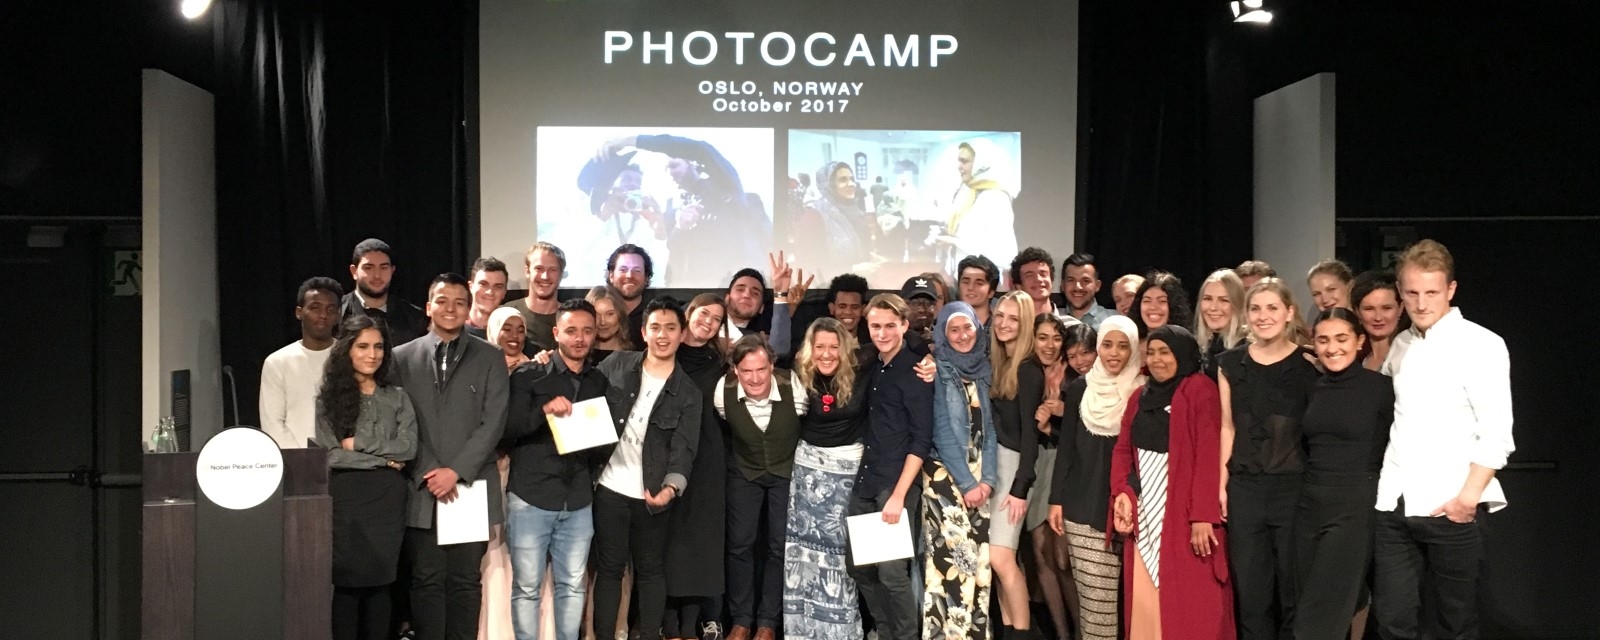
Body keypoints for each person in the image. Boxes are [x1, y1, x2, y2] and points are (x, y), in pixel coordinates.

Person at [1373, 239, 1514, 640]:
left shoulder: (1481, 344)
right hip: (1394, 505)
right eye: (1412, 293)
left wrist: (1466, 500)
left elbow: (1497, 431)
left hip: (1449, 505)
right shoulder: (1400, 345)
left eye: (1431, 292)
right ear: (1401, 292)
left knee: (1456, 622)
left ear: (1450, 290)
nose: (1421, 303)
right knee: (1393, 621)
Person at [392, 273, 511, 640]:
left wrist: (456, 471)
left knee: (463, 581)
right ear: (428, 307)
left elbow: (494, 422)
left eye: (460, 302)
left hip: (470, 486)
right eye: (442, 301)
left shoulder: (490, 357)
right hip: (422, 486)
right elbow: (400, 420)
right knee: (426, 580)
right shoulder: (401, 358)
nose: (451, 309)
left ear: (468, 308)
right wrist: (431, 470)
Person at [591, 297, 704, 640]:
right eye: (655, 327)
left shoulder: (688, 392)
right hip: (609, 488)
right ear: (643, 332)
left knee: (651, 570)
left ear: (682, 334)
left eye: (671, 328)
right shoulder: (617, 364)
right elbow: (582, 393)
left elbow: (684, 449)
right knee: (609, 571)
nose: (663, 335)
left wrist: (669, 490)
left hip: (653, 494)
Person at [1109, 326, 1233, 639]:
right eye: (1151, 352)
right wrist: (1122, 491)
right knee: (1146, 600)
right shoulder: (1140, 396)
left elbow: (1209, 454)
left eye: (1165, 352)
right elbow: (1123, 449)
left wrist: (1202, 515)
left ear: (1183, 354)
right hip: (1145, 513)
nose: (1157, 359)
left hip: (1183, 512)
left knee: (1191, 603)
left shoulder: (1200, 390)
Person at [1217, 278, 1318, 640]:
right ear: (1245, 315)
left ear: (1289, 312)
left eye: (1272, 307)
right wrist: (1222, 486)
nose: (1263, 316)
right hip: (1245, 489)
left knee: (1293, 593)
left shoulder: (1309, 365)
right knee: (1252, 595)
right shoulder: (1229, 364)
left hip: (1293, 490)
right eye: (1256, 308)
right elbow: (1227, 428)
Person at [503, 299, 609, 640]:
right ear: (556, 333)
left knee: (574, 586)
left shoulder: (598, 382)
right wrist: (545, 411)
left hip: (578, 499)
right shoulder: (530, 373)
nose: (579, 339)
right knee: (527, 587)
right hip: (532, 495)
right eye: (571, 331)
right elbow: (509, 428)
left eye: (587, 331)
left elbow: (602, 446)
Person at [315, 314, 418, 640]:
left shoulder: (398, 397)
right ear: (346, 350)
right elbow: (331, 455)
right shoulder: (328, 400)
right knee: (347, 585)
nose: (372, 354)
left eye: (378, 347)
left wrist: (359, 445)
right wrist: (383, 461)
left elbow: (407, 449)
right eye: (362, 346)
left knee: (382, 584)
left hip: (387, 503)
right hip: (348, 499)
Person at [1293, 309, 1394, 640]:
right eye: (1323, 340)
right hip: (1309, 503)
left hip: (1355, 503)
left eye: (1341, 339)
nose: (1332, 347)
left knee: (1321, 612)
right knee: (1309, 598)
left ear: (1359, 341)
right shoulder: (1312, 388)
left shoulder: (1381, 389)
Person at [1048, 315, 1143, 640]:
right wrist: (1056, 499)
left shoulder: (1144, 392)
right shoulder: (1079, 389)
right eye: (1107, 344)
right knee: (1096, 610)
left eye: (1122, 346)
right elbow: (1067, 450)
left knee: (1135, 610)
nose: (1114, 353)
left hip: (1136, 513)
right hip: (1083, 510)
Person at [848, 294, 935, 640]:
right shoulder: (874, 364)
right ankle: (884, 631)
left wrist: (899, 495)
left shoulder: (915, 370)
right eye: (875, 326)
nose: (882, 333)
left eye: (889, 325)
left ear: (903, 325)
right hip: (867, 479)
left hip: (895, 485)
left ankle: (905, 636)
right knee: (861, 570)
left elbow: (920, 440)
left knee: (892, 573)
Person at [782, 317, 872, 640]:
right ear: (810, 349)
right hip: (807, 473)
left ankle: (841, 631)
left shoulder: (864, 367)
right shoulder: (800, 371)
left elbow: (909, 342)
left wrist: (929, 358)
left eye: (834, 347)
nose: (826, 354)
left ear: (845, 348)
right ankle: (804, 630)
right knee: (803, 553)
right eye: (819, 346)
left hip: (847, 475)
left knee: (840, 556)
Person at [717, 335, 809, 640]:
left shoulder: (793, 387)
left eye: (761, 370)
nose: (754, 378)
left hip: (786, 470)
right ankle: (742, 619)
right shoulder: (723, 392)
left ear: (772, 365)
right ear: (735, 371)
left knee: (779, 546)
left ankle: (768, 621)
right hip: (745, 471)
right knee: (740, 545)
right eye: (746, 371)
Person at [594, 135, 770, 287]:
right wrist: (674, 227)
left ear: (692, 163)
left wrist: (632, 141)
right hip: (693, 294)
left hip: (739, 290)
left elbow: (702, 150)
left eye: (674, 165)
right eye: (666, 168)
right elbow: (673, 249)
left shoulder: (726, 187)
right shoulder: (673, 206)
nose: (669, 172)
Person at [923, 302, 998, 640]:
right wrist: (969, 483)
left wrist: (989, 480)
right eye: (954, 329)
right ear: (943, 334)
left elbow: (991, 431)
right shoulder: (938, 370)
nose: (963, 335)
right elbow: (940, 430)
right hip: (946, 478)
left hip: (981, 480)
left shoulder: (984, 370)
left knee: (981, 568)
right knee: (953, 566)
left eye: (967, 328)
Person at [664, 294, 733, 640]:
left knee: (699, 540)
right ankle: (668, 619)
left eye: (717, 319)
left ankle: (694, 621)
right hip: (665, 454)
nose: (708, 321)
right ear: (689, 313)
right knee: (668, 537)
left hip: (707, 457)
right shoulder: (664, 353)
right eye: (704, 313)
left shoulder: (721, 363)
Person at [986, 291, 1044, 637]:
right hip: (995, 466)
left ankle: (1023, 632)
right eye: (1001, 316)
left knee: (1003, 559)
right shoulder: (999, 363)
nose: (1004, 324)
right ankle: (1009, 629)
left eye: (1013, 319)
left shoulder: (1028, 369)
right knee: (996, 563)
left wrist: (1021, 487)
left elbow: (1029, 438)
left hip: (1014, 469)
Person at [1026, 313, 1076, 640]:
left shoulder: (1074, 374)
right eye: (1042, 337)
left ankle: (1086, 630)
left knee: (1063, 559)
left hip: (1067, 465)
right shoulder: (1027, 373)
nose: (1049, 345)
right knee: (1040, 552)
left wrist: (1061, 414)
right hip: (1036, 465)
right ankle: (1061, 634)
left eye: (1056, 338)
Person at [483, 306, 529, 640]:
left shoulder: (536, 369)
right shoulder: (480, 367)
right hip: (487, 466)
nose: (513, 337)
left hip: (523, 468)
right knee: (492, 547)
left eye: (520, 330)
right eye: (506, 329)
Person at [262, 276, 342, 448]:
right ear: (299, 312)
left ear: (337, 315)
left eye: (330, 310)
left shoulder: (349, 356)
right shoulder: (278, 362)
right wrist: (301, 461)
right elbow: (273, 424)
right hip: (296, 462)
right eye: (315, 308)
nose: (323, 315)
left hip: (347, 460)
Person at [933, 139, 1019, 274]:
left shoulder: (996, 197)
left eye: (965, 161)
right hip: (957, 280)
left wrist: (955, 242)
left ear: (982, 164)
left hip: (983, 284)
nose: (959, 166)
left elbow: (1005, 254)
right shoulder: (965, 191)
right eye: (959, 161)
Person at [342, 238, 428, 347]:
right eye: (369, 268)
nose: (377, 275)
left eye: (384, 267)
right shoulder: (336, 314)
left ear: (392, 271)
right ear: (354, 271)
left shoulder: (416, 318)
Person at [798, 161, 870, 274]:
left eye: (852, 179)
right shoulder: (813, 217)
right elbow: (808, 265)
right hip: (828, 288)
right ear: (829, 184)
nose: (851, 184)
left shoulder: (856, 213)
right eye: (843, 180)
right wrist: (851, 269)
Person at [503, 243, 566, 356]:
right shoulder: (506, 313)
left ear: (561, 274)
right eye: (539, 268)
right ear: (527, 271)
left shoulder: (570, 317)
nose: (545, 276)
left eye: (552, 269)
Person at [1195, 269, 1248, 381]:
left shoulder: (1247, 350)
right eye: (1208, 299)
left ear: (1237, 304)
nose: (1213, 307)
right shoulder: (1203, 348)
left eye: (1224, 300)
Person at [1350, 270, 1409, 372]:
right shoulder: (1355, 361)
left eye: (1387, 308)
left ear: (1400, 308)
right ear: (1357, 312)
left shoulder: (1411, 356)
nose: (1378, 317)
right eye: (1369, 309)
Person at [606, 244, 654, 349]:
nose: (629, 275)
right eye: (623, 269)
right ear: (611, 275)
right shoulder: (595, 315)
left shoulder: (654, 316)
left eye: (637, 270)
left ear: (646, 277)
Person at [1010, 247, 1073, 321]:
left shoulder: (1072, 327)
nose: (1039, 279)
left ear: (1051, 281)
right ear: (1018, 286)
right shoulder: (1010, 327)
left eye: (1043, 274)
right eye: (1029, 275)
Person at [1129, 272, 1191, 341]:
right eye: (1147, 301)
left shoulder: (1186, 345)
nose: (1153, 307)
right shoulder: (1130, 345)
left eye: (1162, 301)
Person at [1060, 253, 1115, 329]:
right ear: (1062, 285)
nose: (1078, 287)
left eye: (1085, 281)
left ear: (1097, 285)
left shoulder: (1114, 320)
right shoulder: (1052, 320)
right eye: (1071, 280)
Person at [466, 257, 511, 340]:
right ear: (471, 287)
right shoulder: (454, 329)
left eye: (498, 286)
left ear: (504, 292)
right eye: (483, 284)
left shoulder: (512, 335)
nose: (490, 292)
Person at [585, 286, 635, 356]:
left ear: (620, 315)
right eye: (596, 315)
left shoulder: (634, 356)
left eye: (610, 314)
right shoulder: (579, 355)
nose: (603, 322)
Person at [956, 254, 1001, 326]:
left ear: (991, 292)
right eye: (966, 282)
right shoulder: (945, 327)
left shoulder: (1000, 328)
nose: (970, 287)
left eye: (979, 283)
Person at [826, 273, 870, 344]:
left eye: (855, 307)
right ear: (832, 308)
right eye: (842, 306)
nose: (848, 312)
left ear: (863, 309)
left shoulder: (874, 347)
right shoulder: (820, 345)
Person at [489, 307, 531, 372]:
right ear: (494, 332)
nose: (515, 335)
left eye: (520, 331)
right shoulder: (480, 365)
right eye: (507, 329)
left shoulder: (531, 369)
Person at [902, 275, 941, 344]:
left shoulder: (944, 341)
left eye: (928, 303)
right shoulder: (892, 342)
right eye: (914, 303)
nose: (922, 309)